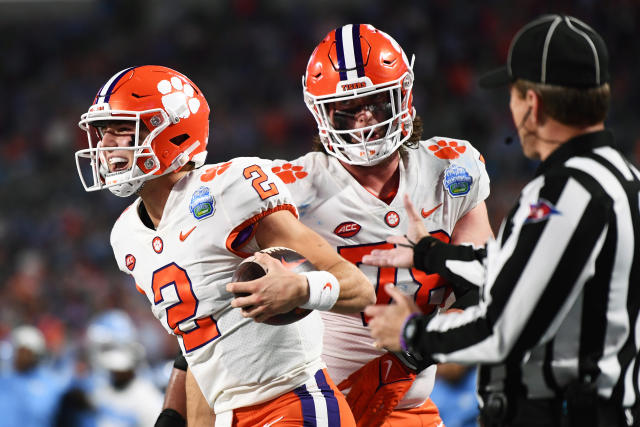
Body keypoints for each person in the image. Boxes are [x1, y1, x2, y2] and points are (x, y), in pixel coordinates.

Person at [173, 23, 494, 427]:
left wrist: (421, 340)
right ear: (321, 113)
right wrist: (175, 408)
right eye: (346, 110)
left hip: (404, 403)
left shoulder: (452, 168)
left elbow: (483, 284)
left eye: (375, 103)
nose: (363, 124)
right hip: (313, 401)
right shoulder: (290, 187)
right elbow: (209, 306)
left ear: (404, 96)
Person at [364, 14, 640, 427]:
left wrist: (412, 333)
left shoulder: (565, 193)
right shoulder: (624, 181)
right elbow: (526, 267)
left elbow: (504, 331)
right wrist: (432, 253)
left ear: (533, 104)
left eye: (513, 96)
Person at [74, 65, 374, 426]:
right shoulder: (125, 237)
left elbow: (359, 288)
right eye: (103, 132)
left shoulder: (229, 189)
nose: (105, 145)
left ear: (173, 131)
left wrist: (301, 288)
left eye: (122, 129)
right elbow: (199, 342)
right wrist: (172, 413)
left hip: (294, 402)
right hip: (228, 415)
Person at [0, 325, 70, 427]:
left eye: (26, 351)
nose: (22, 356)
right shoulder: (4, 381)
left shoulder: (52, 385)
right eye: (19, 351)